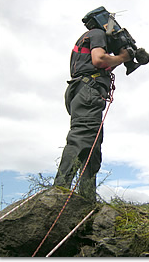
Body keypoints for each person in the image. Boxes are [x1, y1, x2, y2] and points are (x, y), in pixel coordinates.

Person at [53, 20, 131, 203]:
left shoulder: (90, 38)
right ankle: (58, 194)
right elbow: (99, 59)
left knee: (92, 147)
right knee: (81, 138)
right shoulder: (97, 33)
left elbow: (100, 64)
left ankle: (86, 200)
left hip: (84, 92)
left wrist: (122, 60)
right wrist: (124, 58)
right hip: (88, 92)